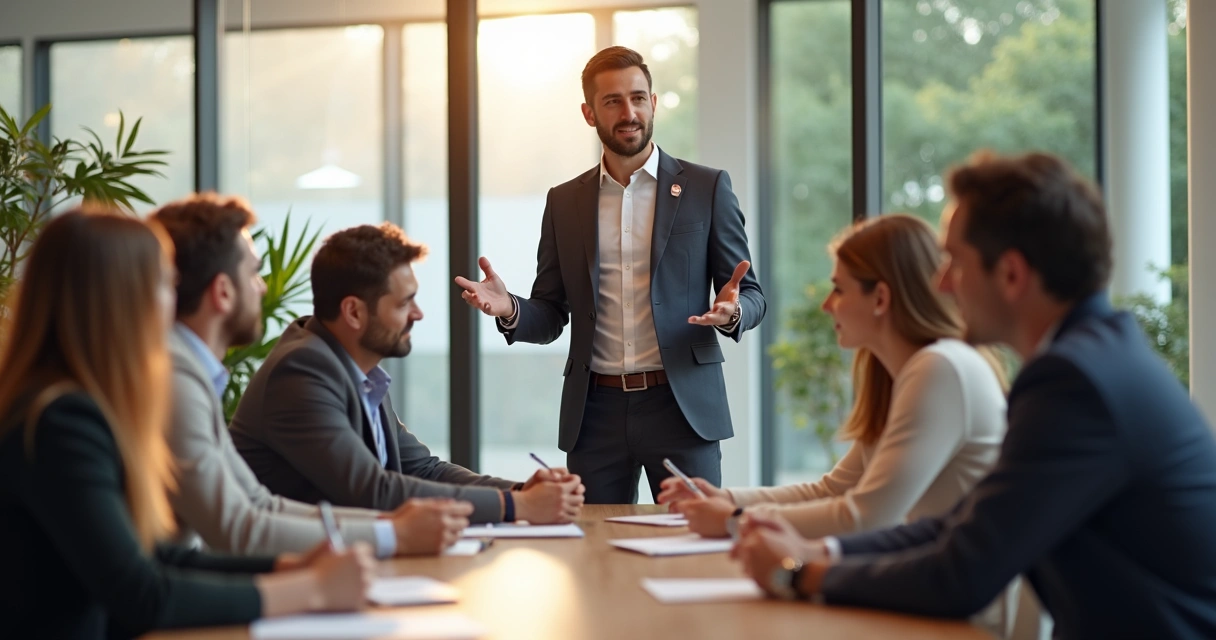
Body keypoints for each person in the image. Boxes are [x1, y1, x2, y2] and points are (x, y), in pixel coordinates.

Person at [731, 151, 1216, 639]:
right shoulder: (1093, 359)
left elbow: (962, 574)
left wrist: (798, 573)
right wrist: (825, 553)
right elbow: (963, 522)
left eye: (954, 262)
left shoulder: (1074, 383)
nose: (942, 282)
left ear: (1011, 274)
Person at [0, 209, 375, 640]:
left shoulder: (71, 406)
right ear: (120, 301)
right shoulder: (60, 421)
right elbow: (142, 594)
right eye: (164, 284)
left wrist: (287, 566)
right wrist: (312, 589)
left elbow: (155, 558)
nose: (172, 302)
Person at [455, 46, 766, 504]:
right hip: (594, 412)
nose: (629, 112)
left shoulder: (706, 187)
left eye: (639, 98)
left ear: (654, 104)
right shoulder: (565, 202)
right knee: (594, 553)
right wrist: (511, 310)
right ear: (589, 113)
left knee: (688, 545)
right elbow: (551, 312)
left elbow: (752, 294)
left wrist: (732, 310)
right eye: (613, 101)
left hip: (681, 408)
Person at [151, 194, 471, 559]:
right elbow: (237, 529)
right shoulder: (176, 378)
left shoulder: (192, 374)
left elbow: (260, 506)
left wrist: (391, 531)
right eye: (254, 274)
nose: (263, 288)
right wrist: (391, 534)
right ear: (223, 292)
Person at [657, 214, 1006, 544]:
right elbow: (832, 491)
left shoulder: (941, 369)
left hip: (960, 604)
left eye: (839, 289)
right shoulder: (907, 374)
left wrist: (734, 519)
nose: (827, 305)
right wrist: (725, 498)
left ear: (880, 298)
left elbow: (865, 517)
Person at [231, 223, 584, 525]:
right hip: (297, 582)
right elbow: (373, 491)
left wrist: (522, 491)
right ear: (353, 312)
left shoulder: (357, 367)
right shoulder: (301, 373)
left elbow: (422, 469)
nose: (418, 315)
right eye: (404, 303)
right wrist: (516, 507)